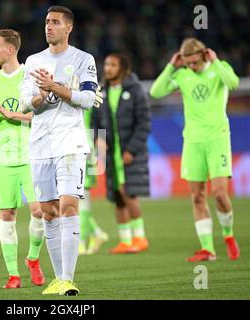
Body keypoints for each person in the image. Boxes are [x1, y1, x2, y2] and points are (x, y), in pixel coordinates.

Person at [20, 5, 100, 296]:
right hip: (40, 144)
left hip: (70, 143)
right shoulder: (32, 61)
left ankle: (68, 277)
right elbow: (24, 103)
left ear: (69, 27)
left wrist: (56, 86)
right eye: (46, 22)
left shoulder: (82, 59)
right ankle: (58, 278)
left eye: (55, 22)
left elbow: (89, 99)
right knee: (48, 213)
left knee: (68, 206)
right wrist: (41, 94)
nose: (48, 27)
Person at [150, 38, 241, 262]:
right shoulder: (182, 75)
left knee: (219, 193)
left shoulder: (220, 69)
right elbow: (156, 91)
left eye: (194, 62)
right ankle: (208, 249)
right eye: (187, 63)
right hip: (192, 141)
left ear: (203, 55)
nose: (191, 67)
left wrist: (216, 61)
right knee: (197, 196)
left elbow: (233, 83)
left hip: (218, 138)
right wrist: (172, 65)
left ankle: (228, 236)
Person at [0, 29, 45, 289]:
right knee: (7, 214)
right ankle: (13, 275)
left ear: (10, 49)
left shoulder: (32, 75)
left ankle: (33, 259)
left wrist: (13, 114)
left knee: (39, 210)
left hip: (32, 154)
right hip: (3, 158)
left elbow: (42, 114)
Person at [92, 53, 151, 254]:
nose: (108, 68)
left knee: (129, 194)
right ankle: (125, 241)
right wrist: (98, 138)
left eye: (113, 65)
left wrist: (132, 150)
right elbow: (94, 121)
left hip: (129, 153)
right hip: (111, 154)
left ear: (123, 68)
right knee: (117, 196)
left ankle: (140, 238)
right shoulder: (102, 91)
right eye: (106, 64)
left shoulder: (135, 91)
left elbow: (144, 123)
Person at [78, 108, 109, 256]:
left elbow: (98, 122)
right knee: (70, 201)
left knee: (81, 198)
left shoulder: (85, 93)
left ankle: (81, 242)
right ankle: (96, 233)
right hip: (71, 148)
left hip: (83, 148)